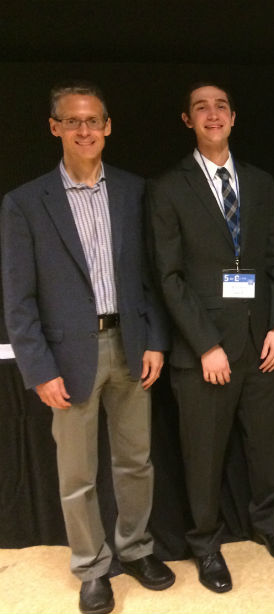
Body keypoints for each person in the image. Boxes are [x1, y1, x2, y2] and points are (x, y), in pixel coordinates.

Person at [1, 81, 174, 614]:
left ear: (108, 127)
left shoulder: (133, 191)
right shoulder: (25, 203)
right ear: (55, 127)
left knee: (136, 461)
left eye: (93, 120)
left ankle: (136, 548)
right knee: (76, 474)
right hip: (67, 357)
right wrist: (37, 367)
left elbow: (149, 277)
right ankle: (92, 568)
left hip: (131, 344)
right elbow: (18, 297)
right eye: (72, 121)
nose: (84, 130)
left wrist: (155, 340)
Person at [147, 82, 274, 594]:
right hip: (204, 349)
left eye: (220, 107)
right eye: (200, 108)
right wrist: (204, 344)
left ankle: (268, 525)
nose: (212, 115)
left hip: (261, 342)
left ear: (233, 117)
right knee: (203, 453)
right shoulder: (168, 187)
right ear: (187, 120)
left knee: (268, 446)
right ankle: (205, 543)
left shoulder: (258, 182)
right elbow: (167, 277)